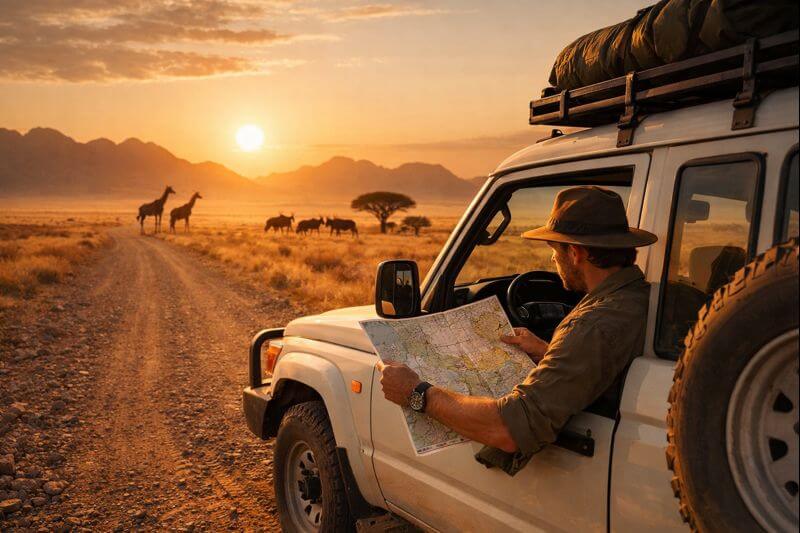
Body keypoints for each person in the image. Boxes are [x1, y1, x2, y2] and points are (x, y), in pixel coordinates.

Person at [377, 186, 658, 473]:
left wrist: (417, 392)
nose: (552, 260)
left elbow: (507, 430)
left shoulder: (592, 324)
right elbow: (605, 360)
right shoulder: (656, 298)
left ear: (574, 253)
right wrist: (550, 352)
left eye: (554, 249)